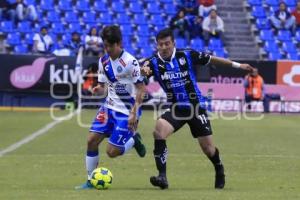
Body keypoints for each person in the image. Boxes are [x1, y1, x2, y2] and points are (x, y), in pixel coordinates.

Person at [141, 28, 254, 189]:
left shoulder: (186, 55)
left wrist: (238, 65)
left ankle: (219, 167)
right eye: (161, 45)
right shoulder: (152, 62)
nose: (164, 47)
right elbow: (140, 71)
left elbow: (212, 59)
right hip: (176, 108)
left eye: (167, 44)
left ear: (173, 43)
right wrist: (142, 71)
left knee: (208, 149)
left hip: (196, 107)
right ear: (157, 46)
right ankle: (162, 177)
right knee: (159, 130)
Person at [76, 25, 147, 189]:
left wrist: (134, 113)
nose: (107, 49)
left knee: (111, 152)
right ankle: (90, 181)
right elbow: (103, 87)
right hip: (108, 108)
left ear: (119, 43)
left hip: (126, 112)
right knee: (91, 140)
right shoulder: (103, 61)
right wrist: (98, 90)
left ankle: (133, 140)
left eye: (110, 45)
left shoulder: (131, 62)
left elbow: (142, 89)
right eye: (105, 45)